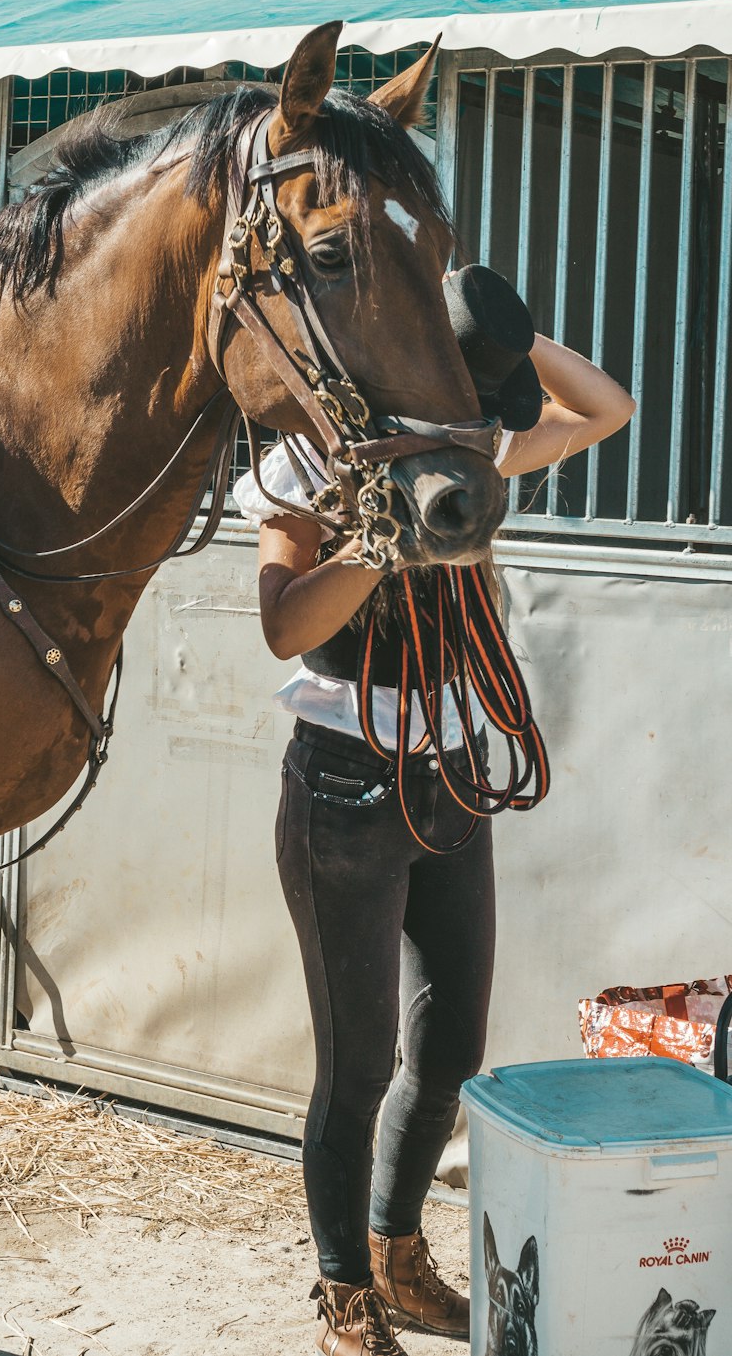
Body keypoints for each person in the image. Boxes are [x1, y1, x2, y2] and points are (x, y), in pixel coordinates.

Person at [234, 282, 636, 1356]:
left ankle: (398, 1251)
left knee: (450, 1044)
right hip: (343, 786)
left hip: (453, 775)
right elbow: (281, 628)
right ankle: (343, 1293)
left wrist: (501, 337)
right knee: (358, 1063)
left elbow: (606, 409)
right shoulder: (308, 469)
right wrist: (372, 539)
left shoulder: (468, 449)